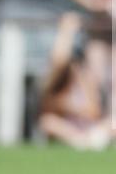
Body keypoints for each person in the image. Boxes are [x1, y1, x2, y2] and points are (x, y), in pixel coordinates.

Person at [38, 12, 110, 150]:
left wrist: (71, 108)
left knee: (113, 124)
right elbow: (59, 61)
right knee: (49, 122)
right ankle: (82, 141)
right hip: (68, 129)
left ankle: (86, 141)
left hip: (89, 128)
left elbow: (94, 112)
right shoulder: (60, 80)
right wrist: (66, 32)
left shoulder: (88, 79)